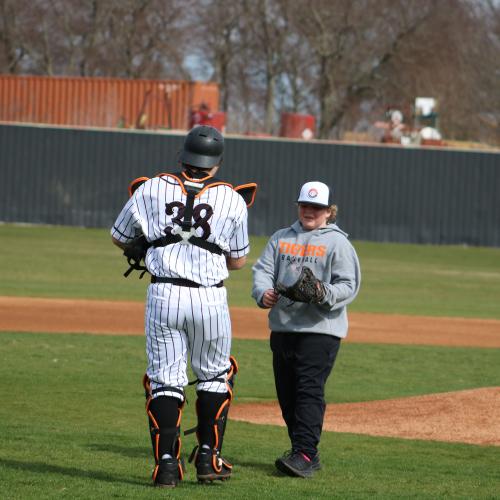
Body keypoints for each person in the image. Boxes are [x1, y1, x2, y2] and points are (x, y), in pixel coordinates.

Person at [111, 125, 250, 488]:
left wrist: (153, 244)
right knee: (215, 375)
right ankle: (209, 457)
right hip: (209, 298)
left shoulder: (151, 188)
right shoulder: (233, 199)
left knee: (164, 381)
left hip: (164, 296)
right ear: (216, 164)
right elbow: (237, 261)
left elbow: (120, 236)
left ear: (182, 156)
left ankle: (167, 466)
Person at [252, 181, 361, 478]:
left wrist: (322, 293)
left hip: (321, 329)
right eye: (305, 205)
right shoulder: (280, 238)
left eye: (316, 207)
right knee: (287, 394)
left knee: (308, 390)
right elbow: (262, 271)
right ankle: (301, 451)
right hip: (284, 328)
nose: (309, 211)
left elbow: (349, 285)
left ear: (328, 211)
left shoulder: (338, 243)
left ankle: (305, 453)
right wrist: (263, 293)